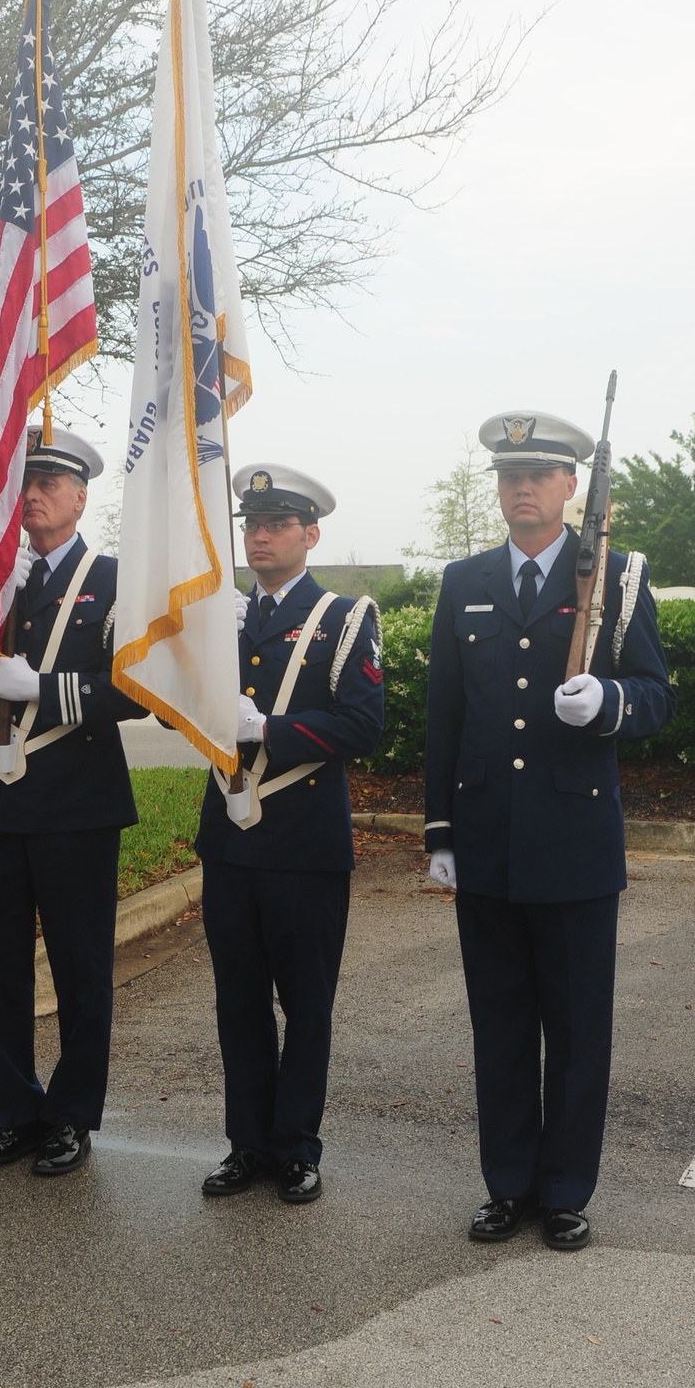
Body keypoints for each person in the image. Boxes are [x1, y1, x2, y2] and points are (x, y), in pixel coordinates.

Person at [424, 410, 675, 1251]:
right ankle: (508, 1186)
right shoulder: (465, 581)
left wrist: (610, 703)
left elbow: (655, 693)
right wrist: (439, 832)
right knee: (498, 1025)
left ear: (572, 486)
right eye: (508, 474)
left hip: (573, 844)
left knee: (574, 1031)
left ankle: (565, 1189)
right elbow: (445, 716)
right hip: (488, 840)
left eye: (539, 473)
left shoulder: (616, 576)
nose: (521, 487)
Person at [0, 425, 147, 1176]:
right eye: (23, 483)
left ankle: (72, 1116)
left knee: (80, 971)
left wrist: (46, 689)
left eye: (48, 483)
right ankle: (15, 1112)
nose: (33, 495)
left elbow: (138, 692)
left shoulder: (115, 579)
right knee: (1, 969)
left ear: (80, 496)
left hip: (76, 802)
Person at [195, 463, 385, 1206]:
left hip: (303, 843)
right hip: (231, 841)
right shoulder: (223, 616)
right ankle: (247, 1144)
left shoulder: (343, 616)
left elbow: (362, 725)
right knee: (237, 1002)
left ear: (311, 534)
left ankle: (297, 1146)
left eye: (278, 524)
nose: (261, 536)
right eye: (253, 524)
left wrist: (269, 728)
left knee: (305, 1005)